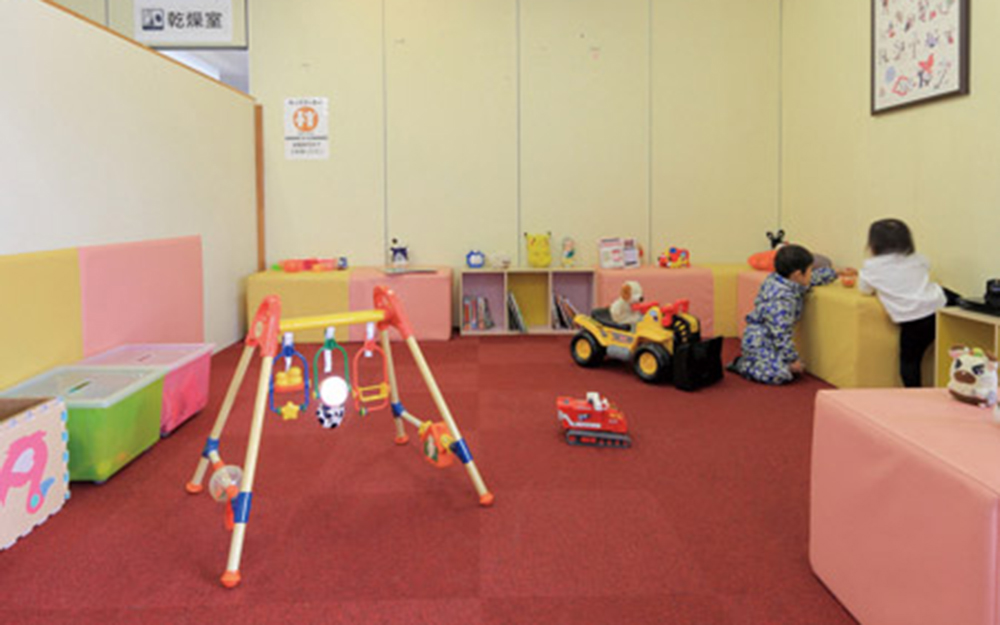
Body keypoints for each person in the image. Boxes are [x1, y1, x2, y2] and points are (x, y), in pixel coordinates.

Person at [729, 244, 854, 385]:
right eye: (810, 270)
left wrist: (836, 273)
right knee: (780, 374)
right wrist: (792, 360)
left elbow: (814, 278)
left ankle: (763, 362)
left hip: (771, 339)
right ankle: (743, 364)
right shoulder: (782, 300)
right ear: (798, 275)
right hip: (760, 341)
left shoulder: (784, 279)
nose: (811, 274)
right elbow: (780, 333)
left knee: (784, 368)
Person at [857, 218, 955, 387]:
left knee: (910, 360)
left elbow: (864, 289)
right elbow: (926, 267)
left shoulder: (871, 267)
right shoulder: (918, 258)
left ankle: (914, 392)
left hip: (913, 319)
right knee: (949, 295)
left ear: (873, 244)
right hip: (938, 306)